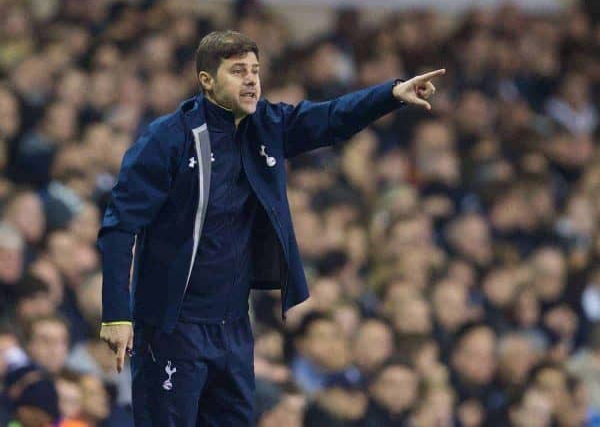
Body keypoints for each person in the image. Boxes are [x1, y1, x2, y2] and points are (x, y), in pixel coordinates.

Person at [98, 29, 444, 426]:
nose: (251, 80)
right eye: (237, 71)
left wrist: (390, 95)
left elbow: (330, 119)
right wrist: (116, 314)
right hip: (172, 328)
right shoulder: (167, 139)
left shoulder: (266, 123)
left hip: (233, 326)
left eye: (255, 71)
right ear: (206, 81)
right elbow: (120, 226)